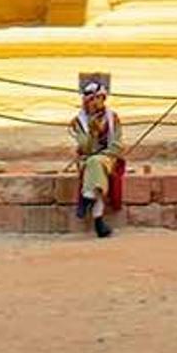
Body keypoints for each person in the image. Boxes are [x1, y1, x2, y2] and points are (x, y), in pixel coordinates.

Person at [70, 73, 123, 238]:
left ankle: (86, 198)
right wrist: (92, 131)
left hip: (109, 157)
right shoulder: (79, 122)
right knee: (94, 166)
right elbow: (84, 147)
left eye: (97, 99)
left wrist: (104, 154)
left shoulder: (112, 118)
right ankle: (98, 221)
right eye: (90, 100)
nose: (94, 103)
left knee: (96, 164)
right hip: (89, 158)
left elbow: (116, 145)